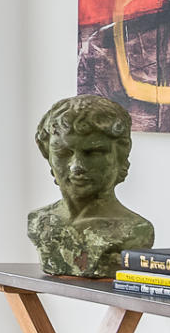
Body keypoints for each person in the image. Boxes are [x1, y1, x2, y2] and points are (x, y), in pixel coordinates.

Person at [27, 93, 156, 277]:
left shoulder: (134, 230)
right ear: (47, 153)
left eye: (93, 153)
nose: (77, 166)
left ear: (120, 155)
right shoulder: (39, 221)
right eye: (63, 152)